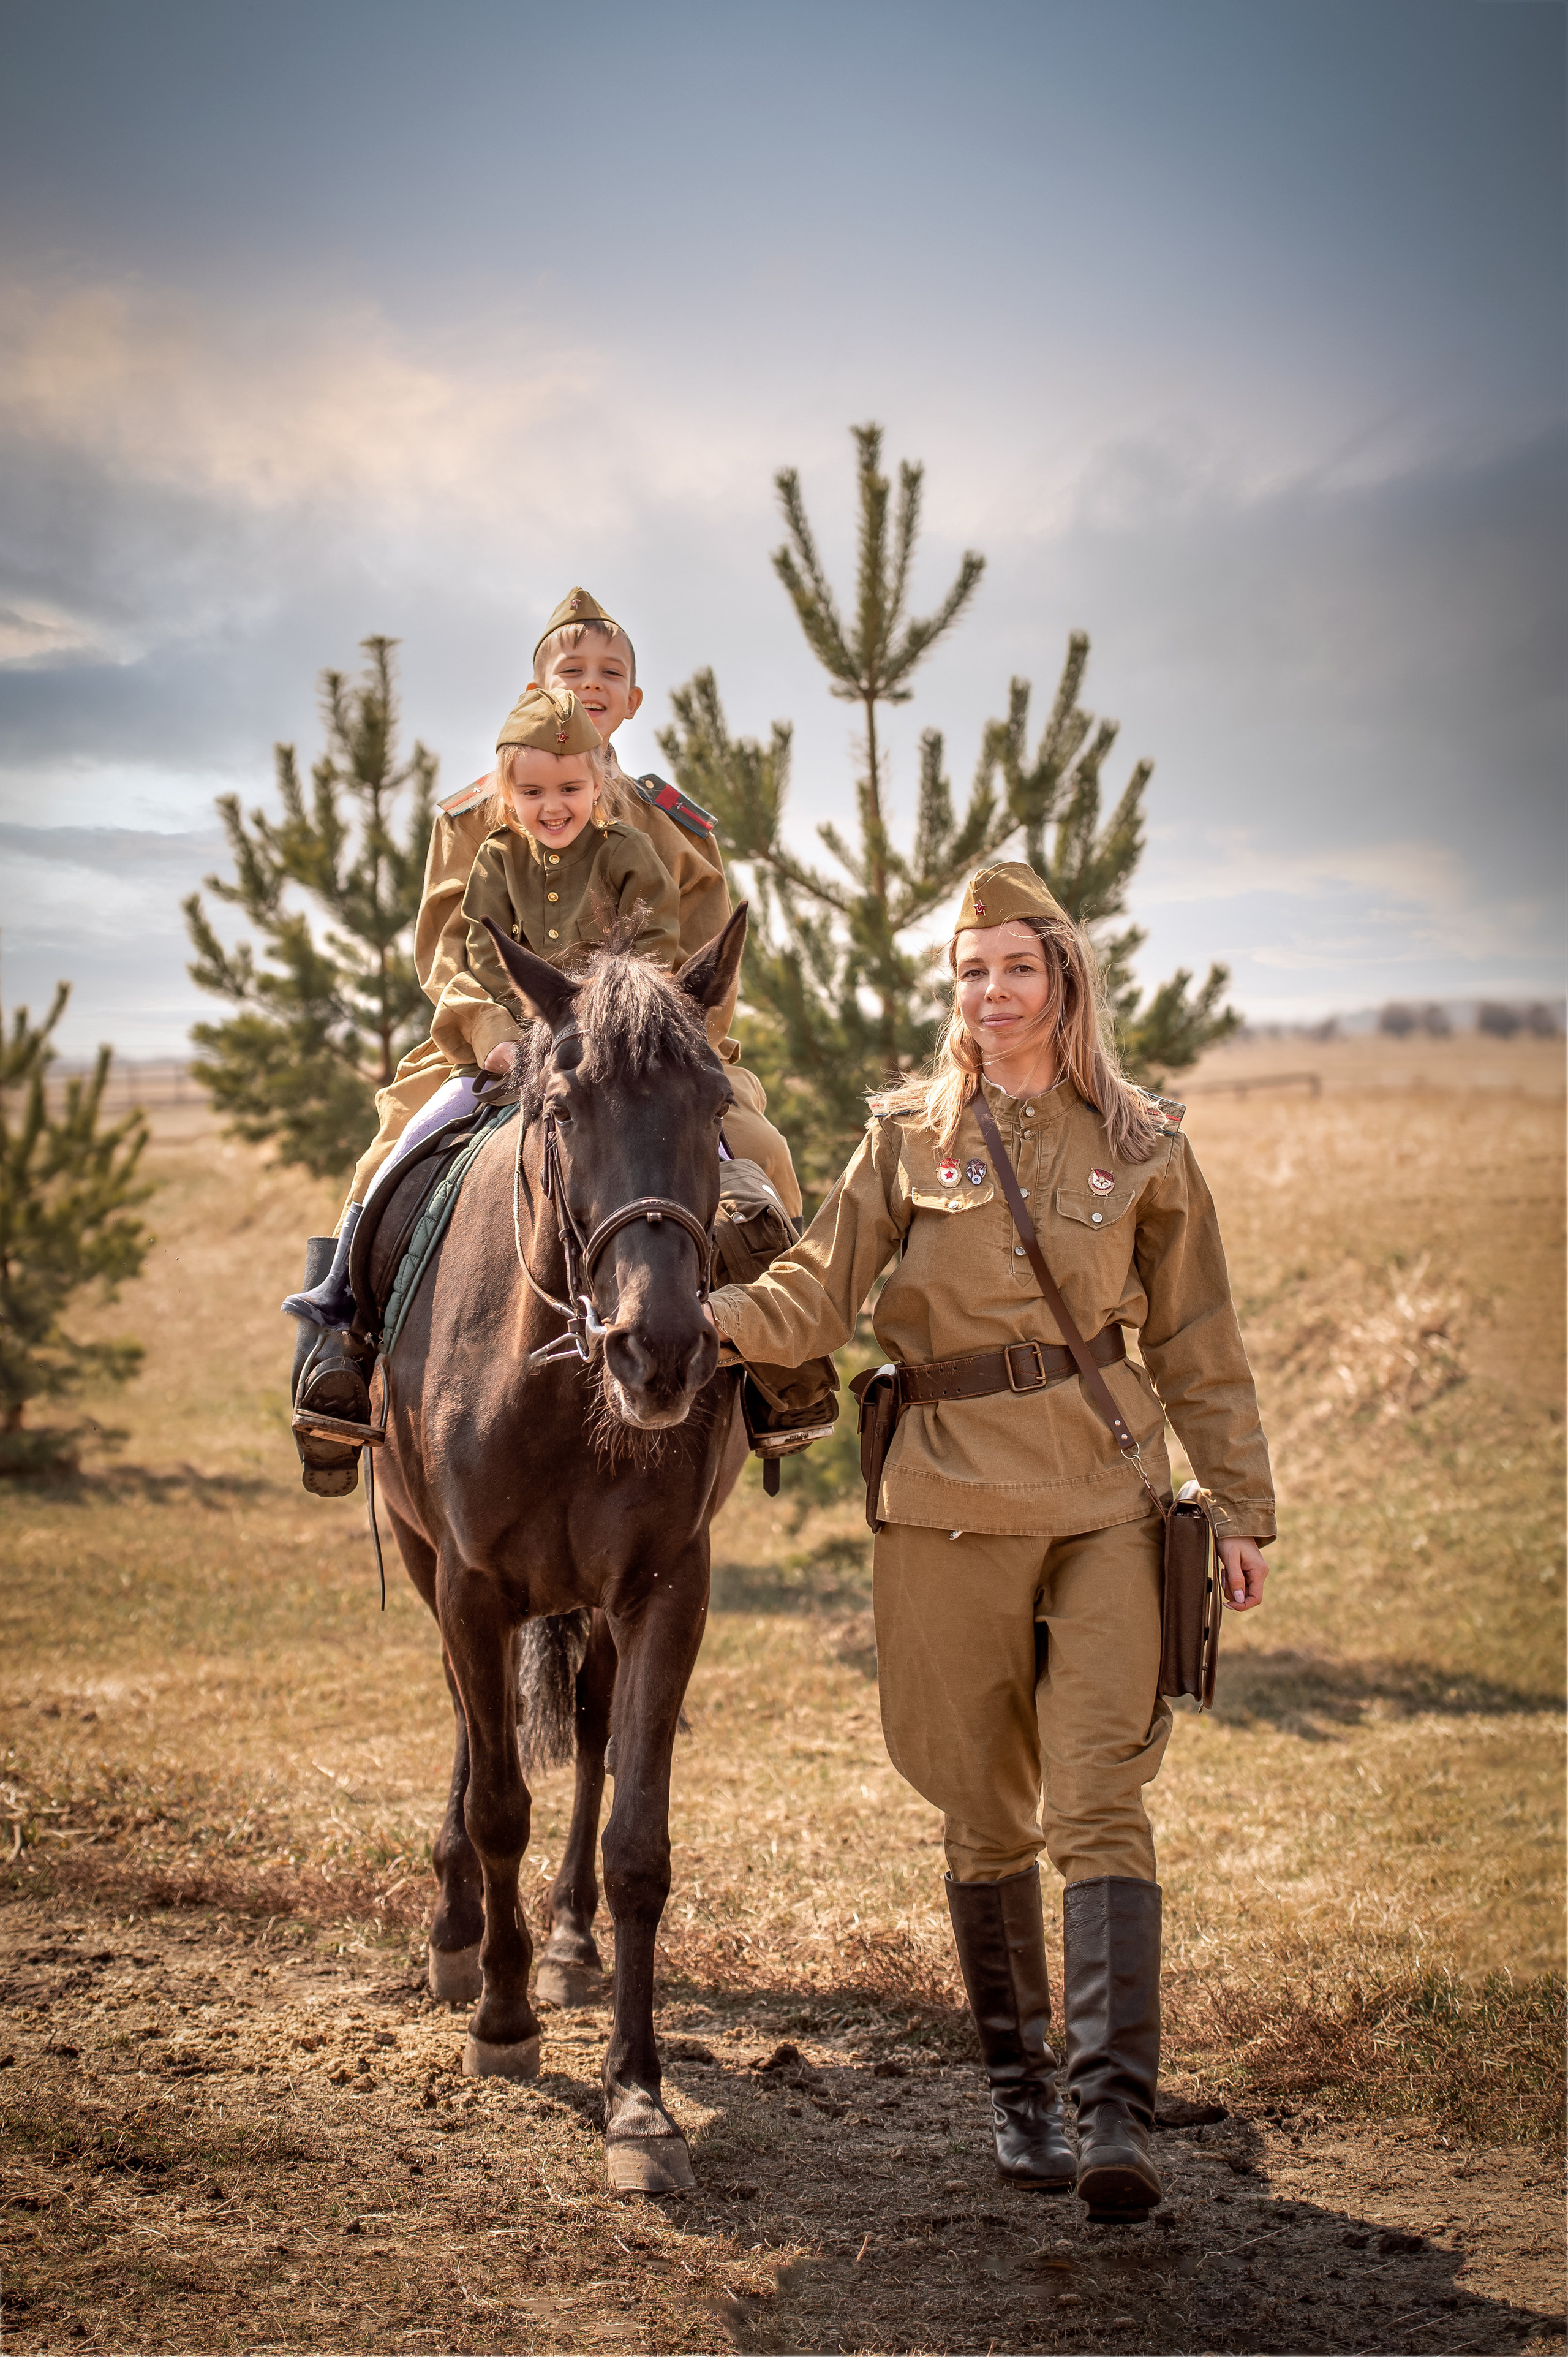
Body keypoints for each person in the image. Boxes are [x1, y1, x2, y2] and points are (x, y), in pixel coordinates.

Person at [704, 860, 1275, 2223]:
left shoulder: (1141, 1142)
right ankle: (1019, 2093)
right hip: (946, 1499)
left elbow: (1198, 1341)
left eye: (1015, 967)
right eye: (969, 970)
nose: (990, 992)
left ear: (1062, 981)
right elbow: (818, 1289)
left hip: (1104, 1497)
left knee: (1097, 1795)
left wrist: (1241, 1508)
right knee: (980, 1805)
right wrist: (703, 1320)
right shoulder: (905, 1137)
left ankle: (1113, 2115)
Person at [284, 587, 809, 1486]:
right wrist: (494, 1031)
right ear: (540, 684)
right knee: (386, 1155)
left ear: (633, 700)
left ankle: (780, 1364)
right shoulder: (478, 815)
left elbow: (701, 957)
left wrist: (663, 1052)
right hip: (485, 1047)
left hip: (652, 1058)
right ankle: (341, 1351)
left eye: (611, 672)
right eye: (572, 670)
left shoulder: (669, 823)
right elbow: (448, 950)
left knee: (760, 1149)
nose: (591, 684)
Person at [282, 683, 679, 1334]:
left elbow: (656, 942)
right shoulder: (494, 856)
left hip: (611, 1045)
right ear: (507, 794)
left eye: (570, 790)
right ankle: (344, 1288)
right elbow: (483, 951)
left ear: (597, 785)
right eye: (532, 793)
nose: (553, 807)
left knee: (710, 1149)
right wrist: (505, 1033)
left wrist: (605, 1018)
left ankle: (759, 1325)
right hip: (510, 1048)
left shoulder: (628, 853)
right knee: (412, 1135)